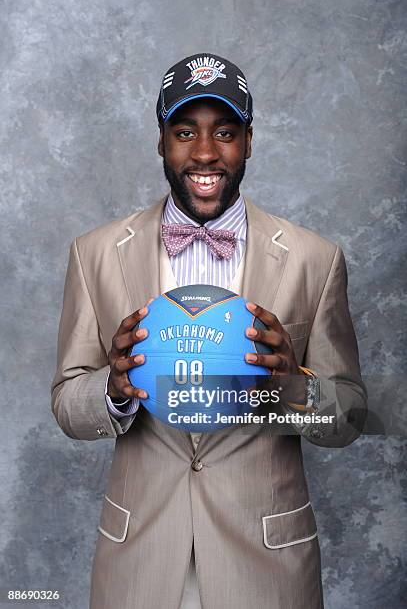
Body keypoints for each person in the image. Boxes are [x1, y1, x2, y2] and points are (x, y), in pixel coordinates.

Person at [51, 53, 367, 609]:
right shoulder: (95, 254)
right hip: (140, 563)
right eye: (183, 132)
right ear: (160, 141)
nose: (203, 153)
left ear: (248, 139)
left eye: (224, 132)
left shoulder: (315, 260)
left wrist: (294, 384)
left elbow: (347, 419)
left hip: (266, 566)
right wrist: (113, 389)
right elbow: (66, 404)